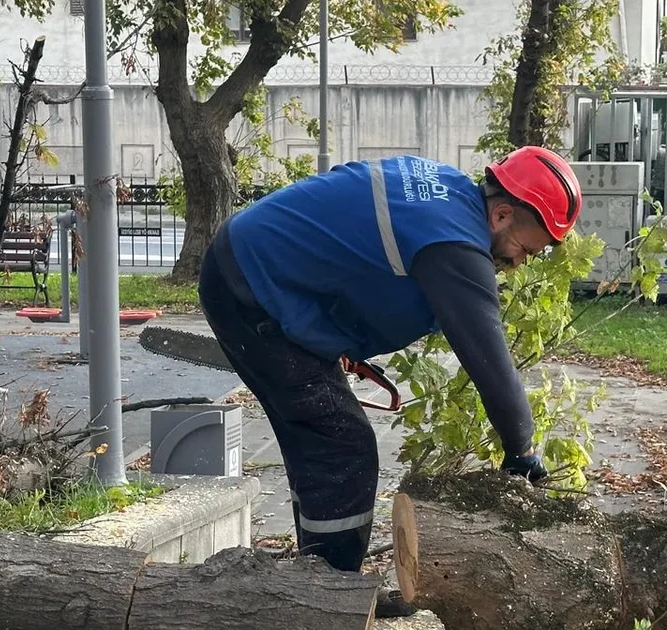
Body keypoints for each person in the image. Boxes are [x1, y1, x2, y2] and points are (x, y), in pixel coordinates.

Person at [196, 145, 583, 616]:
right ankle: (331, 605)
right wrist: (521, 451)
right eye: (525, 248)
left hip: (251, 275)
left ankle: (316, 584)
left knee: (318, 443)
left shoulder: (445, 192)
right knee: (342, 445)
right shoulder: (454, 243)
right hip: (252, 291)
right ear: (501, 214)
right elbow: (488, 358)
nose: (519, 263)